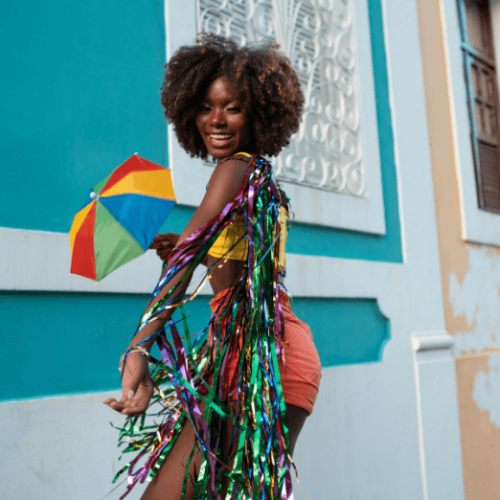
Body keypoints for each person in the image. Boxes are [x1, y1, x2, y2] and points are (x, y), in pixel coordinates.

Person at [104, 34, 321, 500]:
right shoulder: (252, 175)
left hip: (263, 358)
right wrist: (181, 247)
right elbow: (225, 254)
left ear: (259, 114)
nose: (216, 120)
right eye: (205, 106)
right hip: (255, 355)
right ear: (189, 112)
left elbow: (189, 260)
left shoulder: (234, 169)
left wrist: (140, 347)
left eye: (233, 107)